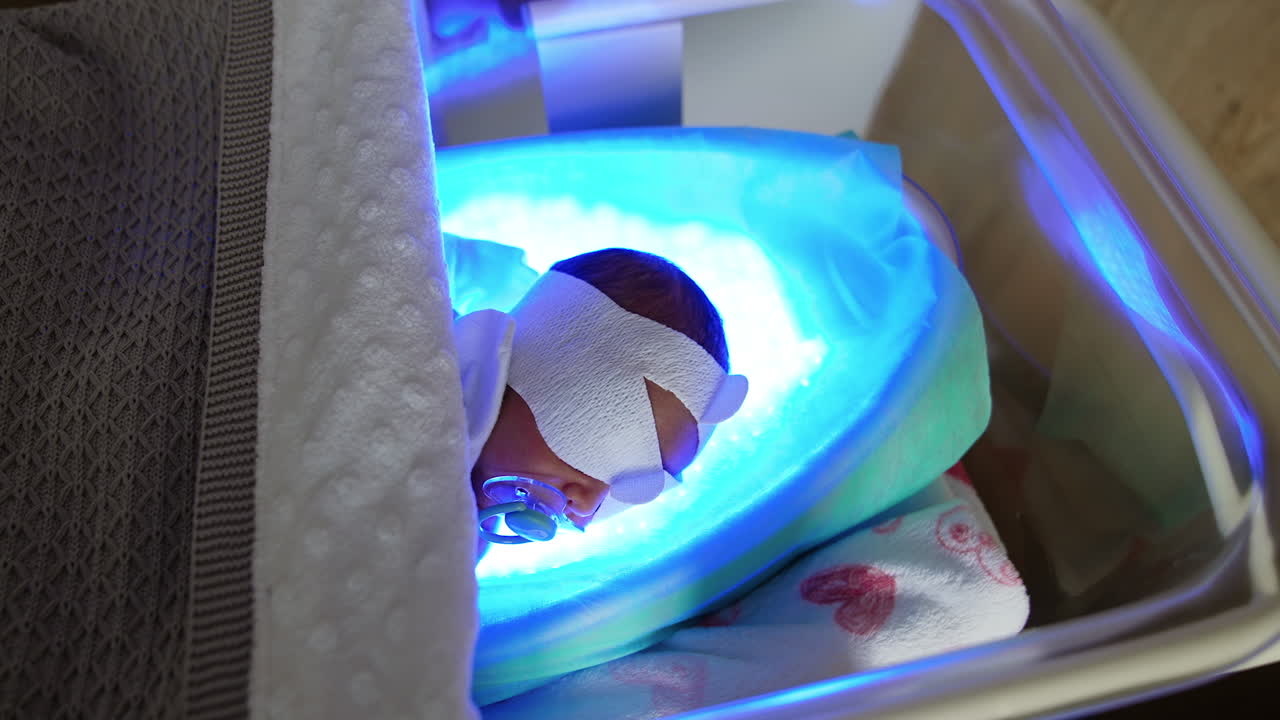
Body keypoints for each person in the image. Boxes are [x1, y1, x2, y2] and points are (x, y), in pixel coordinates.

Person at [450, 243, 749, 555]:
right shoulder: (426, 361)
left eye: (634, 487)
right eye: (598, 449)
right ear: (530, 364)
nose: (588, 503)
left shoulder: (471, 535)